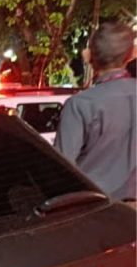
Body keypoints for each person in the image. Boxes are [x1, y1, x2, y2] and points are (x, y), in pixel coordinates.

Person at [54, 20, 136, 201]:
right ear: (131, 55)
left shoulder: (81, 105)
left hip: (97, 211)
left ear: (88, 55)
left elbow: (61, 170)